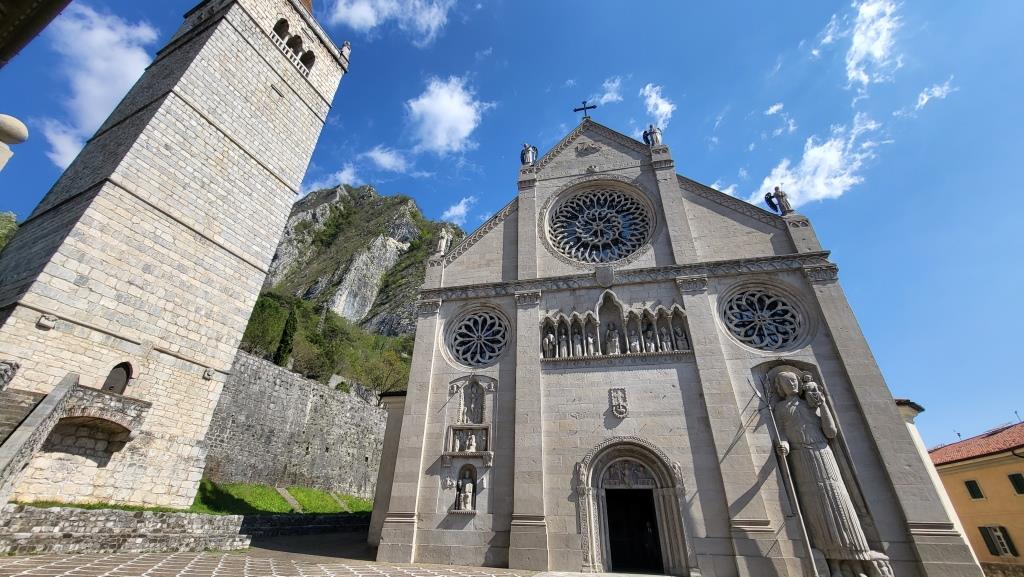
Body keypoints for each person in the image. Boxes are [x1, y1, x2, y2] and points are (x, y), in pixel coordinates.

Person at [773, 370, 893, 577]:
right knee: (815, 509)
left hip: (823, 454)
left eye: (794, 380)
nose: (792, 384)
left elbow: (831, 431)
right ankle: (834, 564)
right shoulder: (780, 408)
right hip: (801, 458)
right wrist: (784, 445)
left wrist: (822, 405)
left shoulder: (811, 404)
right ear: (779, 387)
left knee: (840, 503)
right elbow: (782, 433)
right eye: (787, 381)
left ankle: (857, 562)